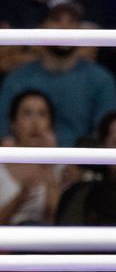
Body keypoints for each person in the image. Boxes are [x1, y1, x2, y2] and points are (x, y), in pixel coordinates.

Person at [0, 0, 116, 148]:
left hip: (82, 164)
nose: (65, 27)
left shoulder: (102, 79)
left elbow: (107, 134)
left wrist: (79, 165)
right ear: (40, 27)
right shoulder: (17, 79)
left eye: (72, 21)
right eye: (56, 20)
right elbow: (5, 135)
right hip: (27, 162)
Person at [0, 90, 61, 225]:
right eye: (27, 114)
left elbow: (59, 217)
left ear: (50, 123)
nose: (35, 123)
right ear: (13, 123)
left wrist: (49, 166)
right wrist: (19, 200)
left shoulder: (64, 166)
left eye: (42, 114)